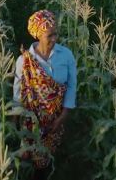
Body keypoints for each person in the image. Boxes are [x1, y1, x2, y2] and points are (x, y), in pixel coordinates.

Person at [13, 10, 77, 180]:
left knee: (45, 161)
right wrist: (16, 123)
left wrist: (64, 115)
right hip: (31, 121)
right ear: (38, 35)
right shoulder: (24, 61)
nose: (54, 39)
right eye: (50, 35)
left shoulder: (66, 55)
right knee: (26, 159)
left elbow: (71, 86)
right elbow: (18, 93)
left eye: (56, 34)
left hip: (56, 120)